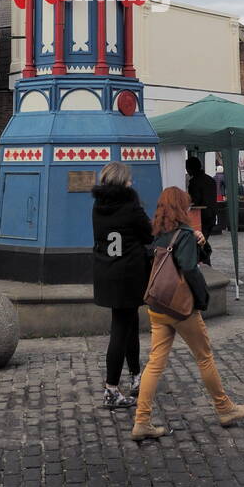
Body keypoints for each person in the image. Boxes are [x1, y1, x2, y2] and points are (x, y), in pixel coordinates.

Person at [131, 186, 244, 441]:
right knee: (204, 356)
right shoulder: (184, 234)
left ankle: (141, 421)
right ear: (181, 208)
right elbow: (189, 267)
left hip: (158, 306)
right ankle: (224, 408)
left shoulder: (158, 233)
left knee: (154, 363)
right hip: (181, 309)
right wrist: (202, 297)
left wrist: (200, 243)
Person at [91, 162, 153, 410]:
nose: (132, 182)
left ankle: (136, 375)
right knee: (120, 329)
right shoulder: (131, 208)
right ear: (122, 182)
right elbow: (148, 235)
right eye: (128, 180)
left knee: (129, 323)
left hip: (107, 272)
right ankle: (111, 388)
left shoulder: (97, 207)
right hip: (128, 273)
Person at [186, 155, 217, 240]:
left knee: (199, 243)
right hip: (212, 215)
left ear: (191, 169)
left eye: (187, 168)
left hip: (200, 217)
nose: (187, 171)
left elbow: (195, 200)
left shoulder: (194, 182)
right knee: (203, 240)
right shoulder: (211, 180)